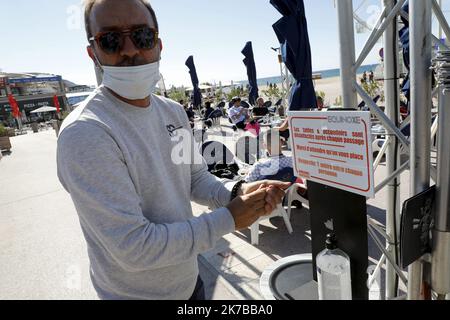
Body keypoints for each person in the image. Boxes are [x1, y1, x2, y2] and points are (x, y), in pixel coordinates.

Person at [57, 0, 290, 300]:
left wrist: (237, 192)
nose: (129, 49)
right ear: (93, 53)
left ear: (158, 44)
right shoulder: (86, 133)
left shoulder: (172, 112)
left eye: (142, 36)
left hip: (190, 282)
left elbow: (194, 179)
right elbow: (134, 248)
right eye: (111, 39)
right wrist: (230, 218)